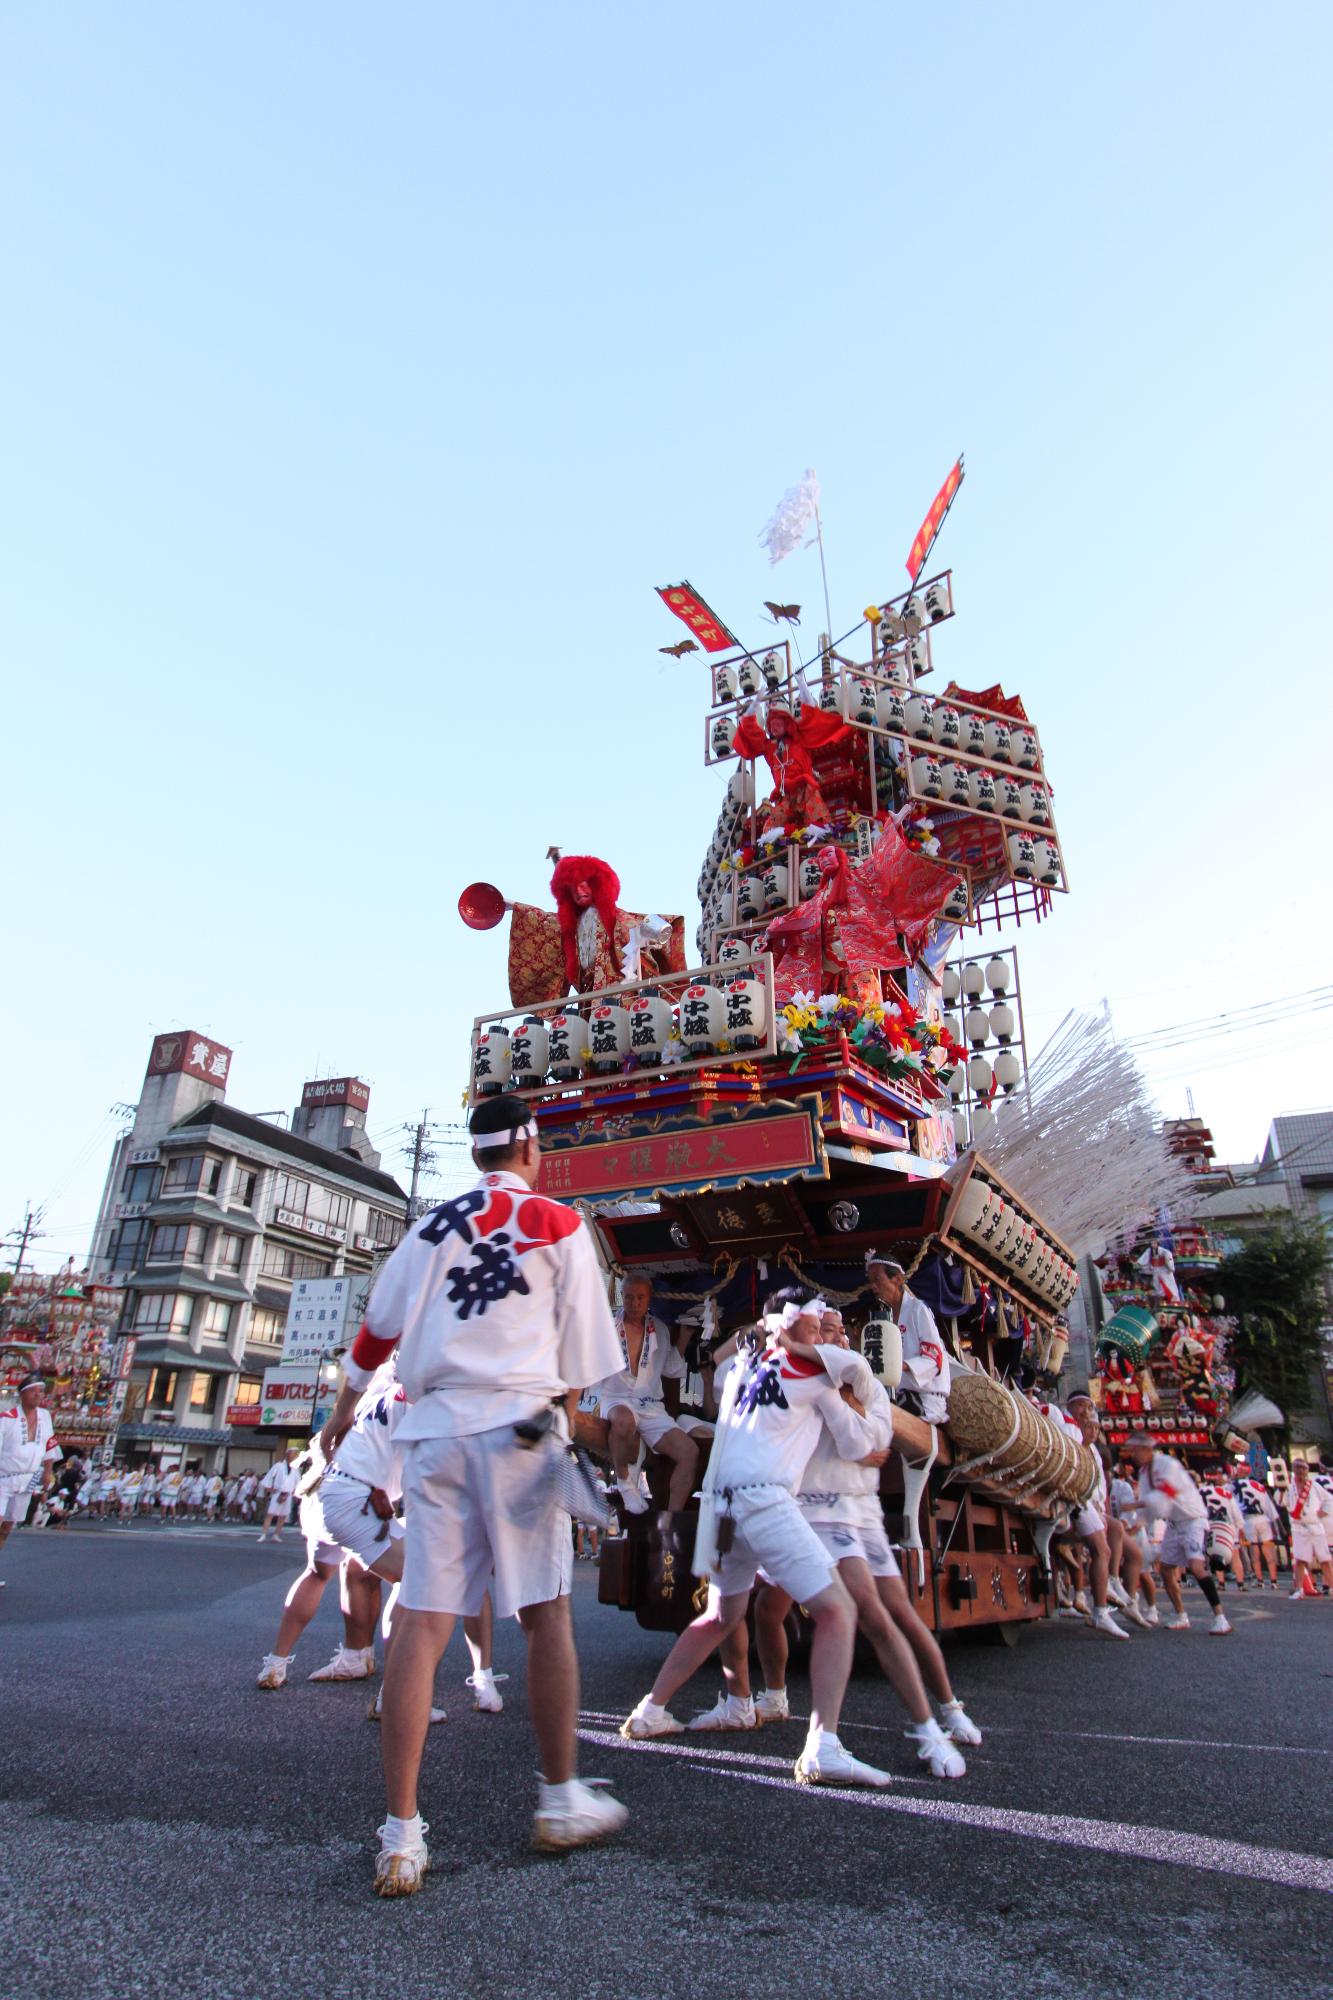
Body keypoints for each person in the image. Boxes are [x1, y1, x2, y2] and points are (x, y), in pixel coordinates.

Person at [318, 1093, 629, 1894]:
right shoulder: (561, 1225)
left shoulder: (428, 1228)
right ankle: (559, 1800)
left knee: (423, 1621)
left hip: (436, 1430)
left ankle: (400, 1835)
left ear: (476, 1154)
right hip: (521, 1430)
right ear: (531, 1146)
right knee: (545, 1612)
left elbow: (374, 1334)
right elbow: (587, 1360)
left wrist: (343, 1411)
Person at [621, 1296, 900, 1789]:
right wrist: (868, 1412)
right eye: (819, 1329)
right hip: (764, 1500)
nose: (824, 1338)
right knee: (837, 1611)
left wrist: (757, 1338)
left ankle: (651, 1712)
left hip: (721, 1502)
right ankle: (823, 1747)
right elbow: (860, 1444)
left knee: (721, 1616)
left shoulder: (745, 1368)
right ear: (798, 1331)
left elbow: (723, 1366)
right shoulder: (816, 1375)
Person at [710, 1303, 976, 1776]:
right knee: (763, 1608)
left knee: (885, 1614)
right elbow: (728, 1376)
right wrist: (759, 1335)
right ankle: (772, 1699)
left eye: (833, 1331)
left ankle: (940, 1717)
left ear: (847, 1338)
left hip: (849, 1513)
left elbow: (872, 1446)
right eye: (818, 1331)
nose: (827, 1338)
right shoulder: (796, 1374)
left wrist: (840, 1396)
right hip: (797, 1508)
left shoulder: (852, 1380)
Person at [597, 1275, 698, 1515]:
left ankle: (671, 1520)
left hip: (650, 1405)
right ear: (623, 1296)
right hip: (617, 1398)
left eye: (640, 1297)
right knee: (624, 1421)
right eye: (629, 1297)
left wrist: (683, 1339)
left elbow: (671, 1368)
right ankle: (624, 1483)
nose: (634, 1302)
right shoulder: (608, 1327)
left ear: (648, 1299)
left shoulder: (660, 1330)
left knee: (689, 1452)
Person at [1122, 1431, 1232, 1635]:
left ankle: (1220, 1617)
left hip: (1193, 1520)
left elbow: (1167, 1493)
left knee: (1196, 1566)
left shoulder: (1167, 1465)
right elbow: (1151, 1506)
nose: (1133, 1455)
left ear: (1147, 1449)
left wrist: (1136, 1504)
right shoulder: (1145, 1472)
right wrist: (1138, 1523)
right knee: (1165, 1569)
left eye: (1136, 1450)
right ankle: (1181, 1615)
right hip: (1173, 1524)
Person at [1064, 1396, 1132, 1638]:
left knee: (1114, 1531)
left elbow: (1100, 1489)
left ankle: (1112, 1581)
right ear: (1071, 1408)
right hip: (1072, 1496)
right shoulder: (1066, 1427)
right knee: (1101, 1550)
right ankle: (1100, 1611)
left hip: (1089, 1503)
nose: (1086, 1413)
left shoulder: (1093, 1450)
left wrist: (1102, 1512)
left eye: (1095, 1424)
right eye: (1082, 1407)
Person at [864, 1252, 950, 1422]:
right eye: (871, 1281)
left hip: (926, 1400)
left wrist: (899, 1366)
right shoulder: (883, 1320)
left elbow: (933, 1358)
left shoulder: (918, 1310)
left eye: (878, 1279)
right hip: (897, 1397)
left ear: (897, 1280)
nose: (873, 1286)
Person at [0, 1372, 61, 1570]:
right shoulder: (7, 1418)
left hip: (27, 1479)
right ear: (22, 1394)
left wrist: (48, 1471)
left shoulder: (45, 1417)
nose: (38, 1395)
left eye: (41, 1391)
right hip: (3, 1477)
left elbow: (50, 1445)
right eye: (33, 1391)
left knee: (7, 1527)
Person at [1285, 1459, 1333, 1599]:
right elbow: (1281, 1501)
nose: (1300, 1470)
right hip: (1299, 1527)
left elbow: (1329, 1500)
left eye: (1303, 1468)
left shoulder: (1314, 1485)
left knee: (1324, 1559)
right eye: (1298, 1467)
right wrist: (1281, 1490)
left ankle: (1331, 1587)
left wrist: (1323, 1512)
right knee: (1301, 1559)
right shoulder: (1289, 1486)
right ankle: (1300, 1589)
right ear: (1293, 1469)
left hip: (1315, 1525)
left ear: (1307, 1470)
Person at [1233, 1468, 1281, 1588]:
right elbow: (1269, 1507)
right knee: (1268, 1551)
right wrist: (1276, 1525)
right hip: (1263, 1520)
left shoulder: (1235, 1486)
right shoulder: (1259, 1487)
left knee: (1254, 1553)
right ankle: (1274, 1581)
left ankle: (1260, 1581)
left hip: (1248, 1521)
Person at [257, 1448, 301, 1543]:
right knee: (270, 1514)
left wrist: (296, 1492)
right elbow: (269, 1477)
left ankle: (276, 1534)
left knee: (283, 1516)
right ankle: (264, 1534)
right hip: (278, 1492)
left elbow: (298, 1482)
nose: (294, 1456)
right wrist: (269, 1488)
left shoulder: (295, 1469)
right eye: (293, 1454)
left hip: (288, 1494)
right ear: (287, 1454)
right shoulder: (279, 1466)